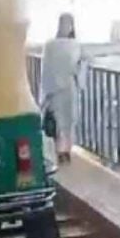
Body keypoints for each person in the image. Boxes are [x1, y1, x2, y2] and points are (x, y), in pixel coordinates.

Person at [40, 13, 89, 163]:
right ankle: (61, 151)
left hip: (66, 87)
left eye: (68, 24)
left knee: (68, 120)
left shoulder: (73, 45)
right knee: (59, 120)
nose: (66, 27)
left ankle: (66, 150)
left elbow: (82, 61)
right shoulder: (53, 45)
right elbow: (47, 67)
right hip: (59, 88)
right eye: (64, 23)